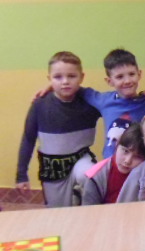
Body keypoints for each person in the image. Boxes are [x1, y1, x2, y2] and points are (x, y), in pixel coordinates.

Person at [16, 51, 101, 207]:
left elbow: (117, 102)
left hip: (80, 159)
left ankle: (86, 208)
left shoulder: (90, 103)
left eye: (71, 76)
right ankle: (72, 200)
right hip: (53, 168)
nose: (65, 82)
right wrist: (21, 175)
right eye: (58, 77)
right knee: (57, 210)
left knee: (90, 176)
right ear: (49, 79)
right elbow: (28, 139)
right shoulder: (40, 105)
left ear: (81, 77)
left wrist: (144, 95)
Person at [81, 48, 145, 159]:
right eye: (120, 77)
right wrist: (54, 88)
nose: (127, 81)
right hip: (111, 162)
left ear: (139, 74)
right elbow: (79, 90)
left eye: (131, 74)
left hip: (139, 162)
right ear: (109, 81)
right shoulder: (104, 100)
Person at [83, 123, 145, 205]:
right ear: (117, 146)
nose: (127, 161)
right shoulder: (96, 175)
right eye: (125, 151)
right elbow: (89, 210)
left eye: (137, 157)